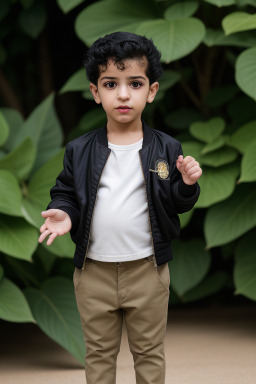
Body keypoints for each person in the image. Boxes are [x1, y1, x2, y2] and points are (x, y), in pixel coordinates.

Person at [38, 31, 202, 384]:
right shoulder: (79, 150)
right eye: (111, 83)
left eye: (135, 83)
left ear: (151, 91)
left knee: (149, 353)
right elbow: (66, 191)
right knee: (98, 354)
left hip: (148, 268)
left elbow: (175, 202)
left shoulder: (167, 148)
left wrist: (187, 185)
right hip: (93, 272)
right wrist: (63, 214)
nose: (123, 94)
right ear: (96, 93)